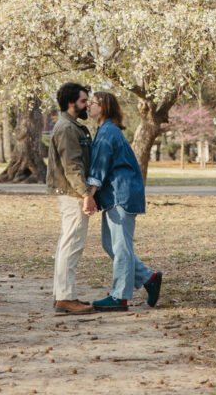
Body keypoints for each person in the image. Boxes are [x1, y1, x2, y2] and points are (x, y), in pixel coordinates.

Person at [85, 91, 162, 311]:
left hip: (121, 195)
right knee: (110, 244)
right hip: (115, 195)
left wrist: (89, 196)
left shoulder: (108, 132)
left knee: (120, 247)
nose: (89, 106)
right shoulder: (106, 130)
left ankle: (120, 297)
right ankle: (149, 278)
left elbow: (99, 168)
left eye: (93, 103)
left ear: (103, 107)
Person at [46, 82, 97, 314]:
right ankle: (65, 298)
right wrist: (86, 194)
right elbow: (72, 166)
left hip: (71, 192)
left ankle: (62, 295)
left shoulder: (71, 126)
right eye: (83, 101)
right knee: (72, 244)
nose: (87, 105)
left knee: (67, 244)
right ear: (70, 102)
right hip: (72, 193)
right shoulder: (67, 128)